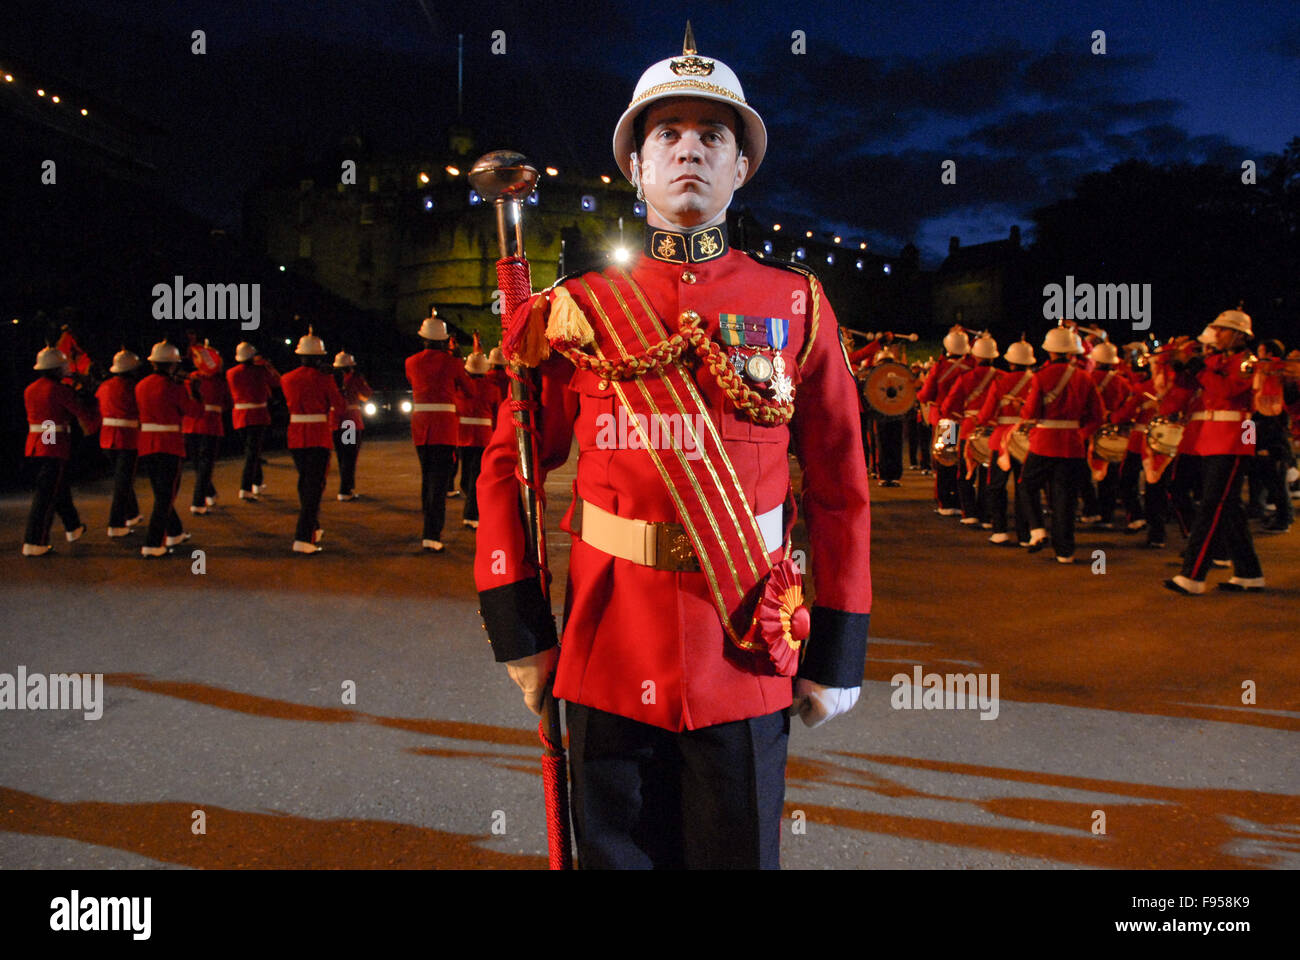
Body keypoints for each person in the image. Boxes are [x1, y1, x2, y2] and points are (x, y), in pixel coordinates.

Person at [474, 28, 871, 869]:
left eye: (712, 135)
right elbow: (510, 466)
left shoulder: (796, 302)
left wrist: (835, 649)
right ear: (636, 167)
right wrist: (520, 630)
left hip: (745, 649)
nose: (689, 148)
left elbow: (839, 487)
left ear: (741, 167)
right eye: (667, 133)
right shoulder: (576, 308)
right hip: (604, 643)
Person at [1165, 310, 1265, 594]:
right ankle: (1249, 573)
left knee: (1212, 506)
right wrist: (1179, 365)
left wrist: (1198, 368)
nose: (1216, 334)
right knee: (1229, 508)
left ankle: (1193, 576)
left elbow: (1227, 391)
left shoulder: (1247, 362)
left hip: (1235, 438)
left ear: (1239, 334)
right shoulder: (1216, 361)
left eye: (1223, 330)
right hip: (1212, 439)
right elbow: (1186, 389)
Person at [1016, 326, 1104, 563]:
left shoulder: (1041, 377)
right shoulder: (1085, 377)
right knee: (1065, 497)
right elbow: (1097, 416)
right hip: (1073, 444)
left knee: (1026, 486)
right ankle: (1065, 551)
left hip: (1044, 442)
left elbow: (1030, 412)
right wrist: (1080, 434)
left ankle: (1037, 530)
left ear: (1050, 351)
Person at [405, 307, 472, 552]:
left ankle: (428, 527)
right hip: (444, 427)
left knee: (427, 479)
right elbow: (470, 391)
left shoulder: (410, 362)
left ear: (423, 339)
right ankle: (432, 533)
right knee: (439, 482)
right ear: (444, 342)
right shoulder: (452, 363)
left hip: (421, 426)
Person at [22, 347, 99, 555]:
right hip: (53, 445)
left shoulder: (31, 388)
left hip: (36, 443)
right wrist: (89, 396)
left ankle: (73, 528)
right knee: (46, 496)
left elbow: (46, 419)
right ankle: (34, 541)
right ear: (57, 368)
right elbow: (80, 411)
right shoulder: (58, 389)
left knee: (59, 488)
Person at [135, 341, 205, 557]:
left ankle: (175, 532)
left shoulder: (141, 385)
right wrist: (195, 392)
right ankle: (153, 543)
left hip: (147, 443)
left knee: (162, 493)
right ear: (173, 365)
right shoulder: (173, 388)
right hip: (169, 444)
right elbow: (195, 412)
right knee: (166, 496)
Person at [280, 329, 346, 554]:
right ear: (319, 357)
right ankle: (303, 537)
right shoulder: (324, 379)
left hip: (296, 434)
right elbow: (340, 405)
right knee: (314, 487)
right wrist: (333, 379)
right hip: (318, 435)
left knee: (304, 483)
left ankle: (313, 529)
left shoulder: (286, 378)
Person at [975, 336, 1035, 546]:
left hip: (1000, 439)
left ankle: (999, 529)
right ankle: (1025, 534)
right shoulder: (1036, 381)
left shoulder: (1000, 383)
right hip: (1028, 438)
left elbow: (984, 416)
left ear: (1010, 362)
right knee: (1025, 487)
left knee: (996, 485)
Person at [940, 333, 999, 525]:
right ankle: (987, 514)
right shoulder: (1002, 377)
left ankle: (970, 513)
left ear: (976, 356)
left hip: (968, 428)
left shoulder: (966, 377)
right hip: (993, 429)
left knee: (965, 473)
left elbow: (947, 407)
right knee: (988, 475)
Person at [917, 327, 974, 516]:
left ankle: (946, 502)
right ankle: (962, 502)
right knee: (964, 464)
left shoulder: (939, 368)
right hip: (968, 421)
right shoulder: (973, 366)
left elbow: (926, 395)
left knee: (945, 463)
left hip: (946, 420)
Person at [96, 349, 143, 537]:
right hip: (128, 437)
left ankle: (132, 514)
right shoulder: (134, 387)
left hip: (107, 438)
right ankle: (116, 524)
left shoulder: (104, 386)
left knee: (123, 478)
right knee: (123, 482)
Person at [227, 341, 280, 501]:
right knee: (252, 452)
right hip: (257, 414)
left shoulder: (231, 373)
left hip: (239, 415)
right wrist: (268, 365)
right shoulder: (260, 371)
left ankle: (257, 482)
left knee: (252, 451)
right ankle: (246, 487)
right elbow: (277, 381)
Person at [183, 341, 229, 515]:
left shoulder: (190, 379)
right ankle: (199, 500)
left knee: (198, 464)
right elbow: (226, 404)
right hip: (211, 424)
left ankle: (206, 495)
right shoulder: (220, 382)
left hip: (191, 424)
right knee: (205, 465)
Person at [456, 349, 497, 528]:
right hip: (483, 437)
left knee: (466, 476)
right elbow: (496, 414)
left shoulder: (460, 388)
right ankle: (472, 513)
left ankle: (470, 510)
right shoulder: (492, 389)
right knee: (475, 476)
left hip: (462, 436)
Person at [331, 351, 372, 501]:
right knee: (350, 457)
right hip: (350, 421)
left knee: (342, 456)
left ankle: (346, 487)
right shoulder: (355, 378)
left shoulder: (330, 379)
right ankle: (345, 489)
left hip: (335, 421)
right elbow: (366, 395)